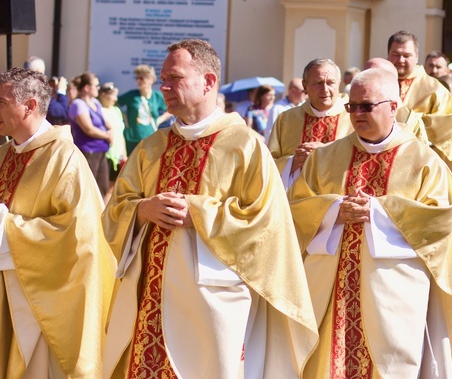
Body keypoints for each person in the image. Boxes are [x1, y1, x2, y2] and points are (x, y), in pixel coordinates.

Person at [102, 39, 317, 377]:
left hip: (212, 299)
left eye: (175, 77)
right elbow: (115, 209)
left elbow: (267, 224)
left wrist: (199, 214)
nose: (164, 87)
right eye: (163, 79)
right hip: (148, 299)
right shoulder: (150, 148)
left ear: (209, 82)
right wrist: (143, 210)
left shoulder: (245, 146)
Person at [288, 68, 452, 377]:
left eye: (366, 106)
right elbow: (295, 208)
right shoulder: (325, 158)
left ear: (393, 107)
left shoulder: (424, 162)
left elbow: (438, 221)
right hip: (333, 290)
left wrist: (378, 212)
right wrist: (333, 210)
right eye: (352, 106)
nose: (357, 113)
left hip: (394, 289)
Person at [0, 67, 115, 377]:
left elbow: (79, 237)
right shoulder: (4, 155)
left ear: (30, 106)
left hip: (42, 303)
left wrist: (5, 228)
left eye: (1, 101)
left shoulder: (65, 159)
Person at [268, 58, 353, 188]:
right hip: (295, 203)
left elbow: (363, 162)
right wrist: (293, 162)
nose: (325, 89)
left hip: (337, 202)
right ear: (305, 86)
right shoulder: (286, 120)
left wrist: (325, 154)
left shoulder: (354, 116)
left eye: (330, 83)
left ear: (339, 84)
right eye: (318, 83)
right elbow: (268, 166)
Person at [387, 30, 452, 165]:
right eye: (395, 54)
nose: (400, 60)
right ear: (388, 55)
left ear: (416, 57)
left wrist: (402, 113)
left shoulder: (435, 89)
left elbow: (445, 133)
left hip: (419, 161)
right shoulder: (378, 83)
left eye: (406, 55)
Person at [68, 72, 113, 197]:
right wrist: (107, 136)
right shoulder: (78, 104)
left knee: (102, 187)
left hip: (101, 151)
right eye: (96, 86)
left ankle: (100, 216)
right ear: (87, 88)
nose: (98, 88)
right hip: (88, 151)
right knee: (87, 188)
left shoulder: (96, 103)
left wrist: (111, 130)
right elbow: (88, 129)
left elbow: (105, 122)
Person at [118, 64, 170, 154]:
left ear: (151, 80)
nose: (138, 81)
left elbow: (170, 109)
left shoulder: (157, 96)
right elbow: (115, 103)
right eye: (137, 78)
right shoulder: (131, 95)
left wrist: (159, 120)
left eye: (141, 78)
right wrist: (124, 117)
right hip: (132, 138)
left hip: (150, 137)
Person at [99, 82, 127, 203]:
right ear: (104, 95)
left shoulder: (116, 110)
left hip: (118, 154)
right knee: (103, 187)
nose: (115, 99)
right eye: (113, 95)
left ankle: (105, 216)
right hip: (106, 154)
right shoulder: (99, 110)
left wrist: (124, 154)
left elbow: (121, 134)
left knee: (113, 188)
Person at [265, 77, 306, 143]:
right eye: (304, 91)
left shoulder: (306, 106)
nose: (307, 94)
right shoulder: (278, 108)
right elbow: (270, 134)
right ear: (293, 91)